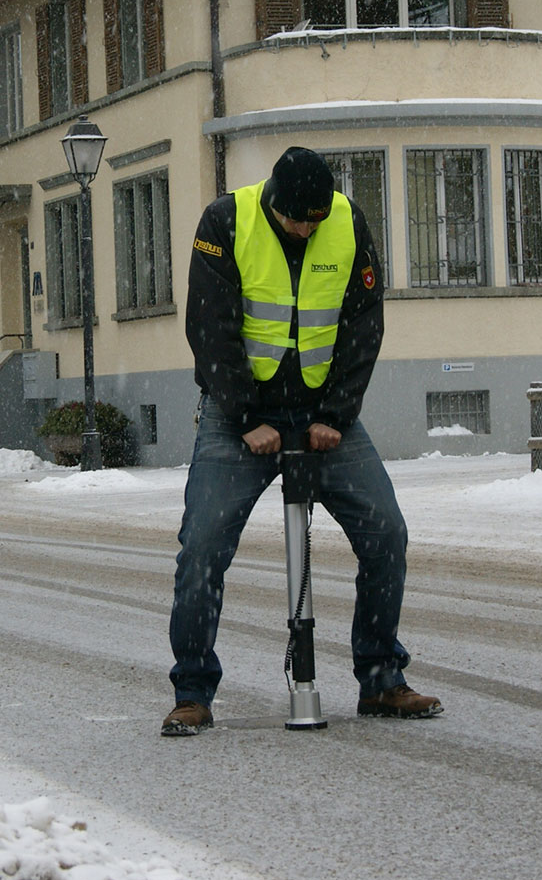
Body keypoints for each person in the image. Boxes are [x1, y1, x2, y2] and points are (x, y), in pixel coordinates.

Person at [163, 147, 441, 736]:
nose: (307, 230)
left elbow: (364, 323)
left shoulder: (347, 222)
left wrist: (335, 413)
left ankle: (381, 677)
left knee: (386, 531)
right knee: (203, 546)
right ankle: (192, 691)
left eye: (315, 220)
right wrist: (245, 416)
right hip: (238, 417)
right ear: (274, 203)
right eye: (296, 221)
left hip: (321, 413)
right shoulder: (226, 221)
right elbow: (209, 327)